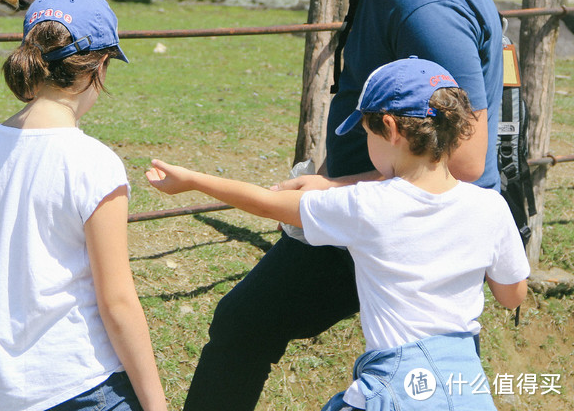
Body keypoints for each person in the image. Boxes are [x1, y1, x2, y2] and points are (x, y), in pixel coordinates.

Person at [181, 0, 506, 410]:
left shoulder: (428, 5)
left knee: (244, 324)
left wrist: (335, 191)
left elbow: (464, 159)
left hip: (406, 221)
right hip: (381, 202)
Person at [147, 57, 530, 410]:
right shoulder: (490, 207)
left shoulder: (368, 206)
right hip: (465, 390)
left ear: (392, 129)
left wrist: (194, 180)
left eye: (368, 133)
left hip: (394, 392)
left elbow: (266, 204)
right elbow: (512, 296)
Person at [0, 0, 167, 411]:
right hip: (83, 386)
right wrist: (156, 404)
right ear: (99, 66)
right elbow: (117, 302)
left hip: (0, 395)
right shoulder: (94, 162)